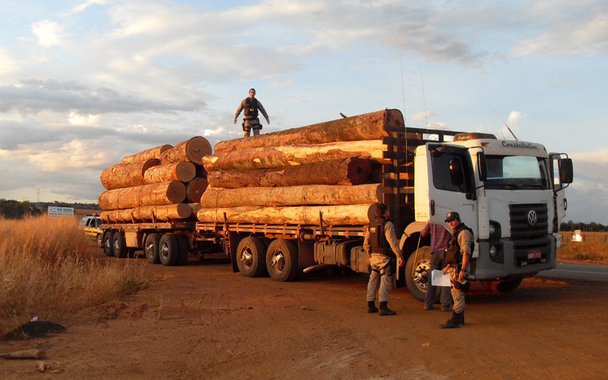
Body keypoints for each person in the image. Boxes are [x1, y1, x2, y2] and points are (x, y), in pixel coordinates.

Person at [364, 203, 405, 316]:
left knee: (372, 279)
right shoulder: (388, 224)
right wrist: (399, 256)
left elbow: (366, 243)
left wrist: (370, 254)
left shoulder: (370, 224)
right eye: (387, 210)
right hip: (384, 257)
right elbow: (392, 242)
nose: (389, 212)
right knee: (385, 280)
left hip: (374, 256)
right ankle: (383, 306)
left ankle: (370, 305)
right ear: (385, 212)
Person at [441, 211, 474, 329]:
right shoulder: (456, 233)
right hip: (454, 268)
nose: (450, 223)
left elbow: (466, 253)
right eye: (448, 221)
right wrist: (448, 266)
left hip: (460, 268)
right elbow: (453, 254)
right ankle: (459, 318)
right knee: (455, 293)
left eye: (451, 221)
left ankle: (456, 319)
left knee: (458, 292)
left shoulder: (464, 233)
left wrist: (463, 270)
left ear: (457, 219)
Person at [421, 222, 453, 311]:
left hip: (435, 253)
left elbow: (423, 233)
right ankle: (445, 305)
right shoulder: (447, 222)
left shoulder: (432, 221)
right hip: (446, 253)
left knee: (432, 279)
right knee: (445, 279)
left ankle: (428, 304)